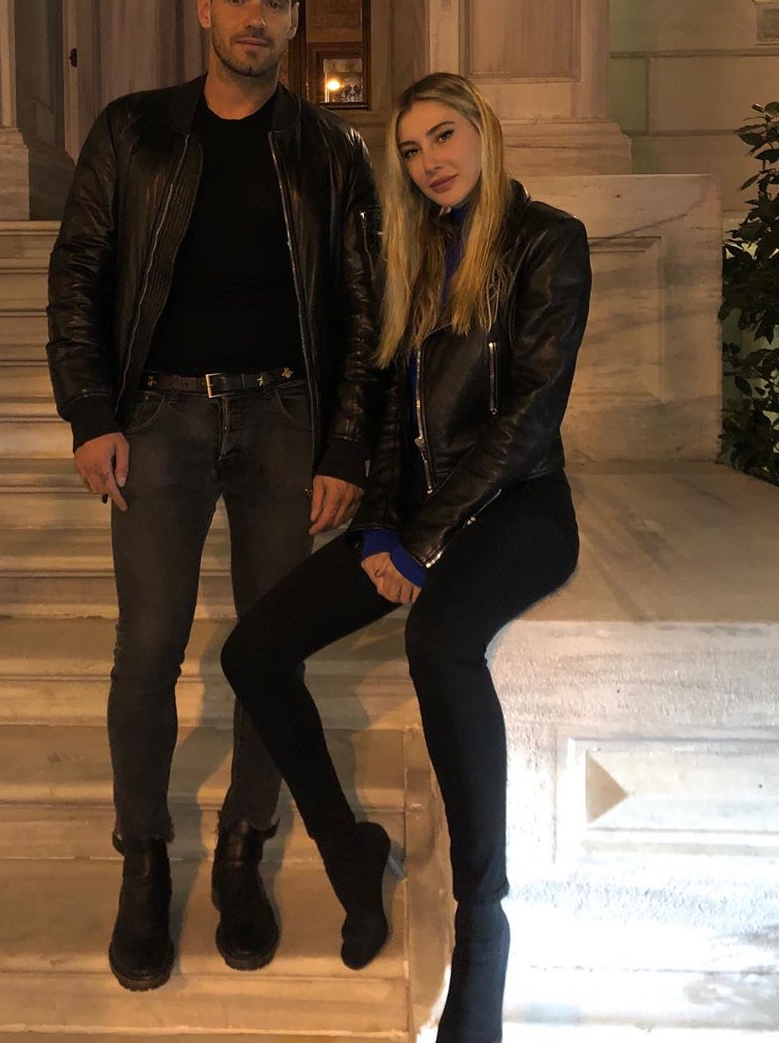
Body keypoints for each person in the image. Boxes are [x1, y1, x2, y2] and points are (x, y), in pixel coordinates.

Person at [222, 72, 591, 1041]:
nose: (430, 162)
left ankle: (482, 919)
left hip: (519, 509)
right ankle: (349, 848)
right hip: (420, 515)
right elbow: (390, 407)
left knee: (438, 643)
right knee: (253, 651)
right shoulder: (415, 251)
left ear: (483, 131)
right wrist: (385, 524)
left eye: (443, 137)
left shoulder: (550, 241)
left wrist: (424, 542)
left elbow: (529, 416)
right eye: (413, 150)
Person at [46, 0, 380, 990]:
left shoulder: (331, 151)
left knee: (268, 649)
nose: (254, 19)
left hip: (284, 420)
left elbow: (362, 311)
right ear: (203, 8)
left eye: (274, 3)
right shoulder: (134, 130)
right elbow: (80, 273)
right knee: (148, 647)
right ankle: (144, 859)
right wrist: (90, 412)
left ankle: (243, 846)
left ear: (293, 20)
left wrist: (344, 443)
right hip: (161, 418)